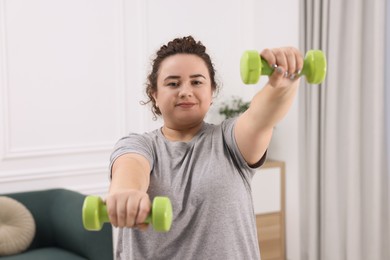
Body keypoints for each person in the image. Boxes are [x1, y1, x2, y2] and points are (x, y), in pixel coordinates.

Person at [106, 36, 303, 260]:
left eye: (197, 82)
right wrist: (127, 193)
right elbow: (130, 167)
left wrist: (283, 84)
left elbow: (261, 117)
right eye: (172, 83)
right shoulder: (138, 145)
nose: (185, 91)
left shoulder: (229, 141)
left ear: (211, 92)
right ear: (155, 95)